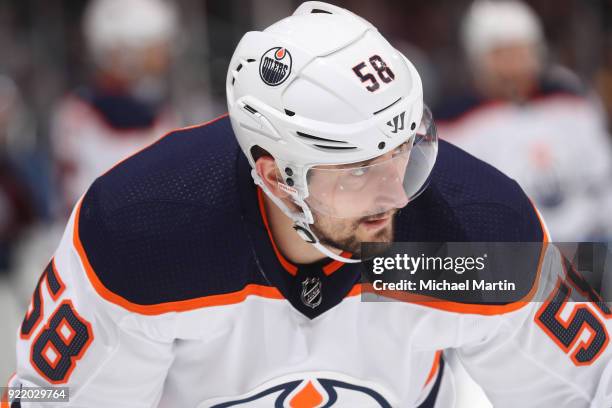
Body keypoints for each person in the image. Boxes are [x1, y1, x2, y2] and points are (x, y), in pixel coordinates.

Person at [5, 2, 612, 407]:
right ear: (273, 175)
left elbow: (593, 387)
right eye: (357, 170)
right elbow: (43, 398)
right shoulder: (140, 229)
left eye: (404, 151)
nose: (396, 195)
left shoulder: (479, 227)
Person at [435, 0, 612, 242]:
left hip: (588, 243)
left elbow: (603, 178)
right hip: (514, 254)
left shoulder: (571, 102)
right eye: (501, 54)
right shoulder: (454, 123)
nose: (513, 65)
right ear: (477, 60)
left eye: (521, 51)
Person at [51, 0, 179, 215]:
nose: (160, 60)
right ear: (125, 52)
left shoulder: (162, 114)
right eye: (152, 49)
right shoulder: (78, 117)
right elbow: (79, 202)